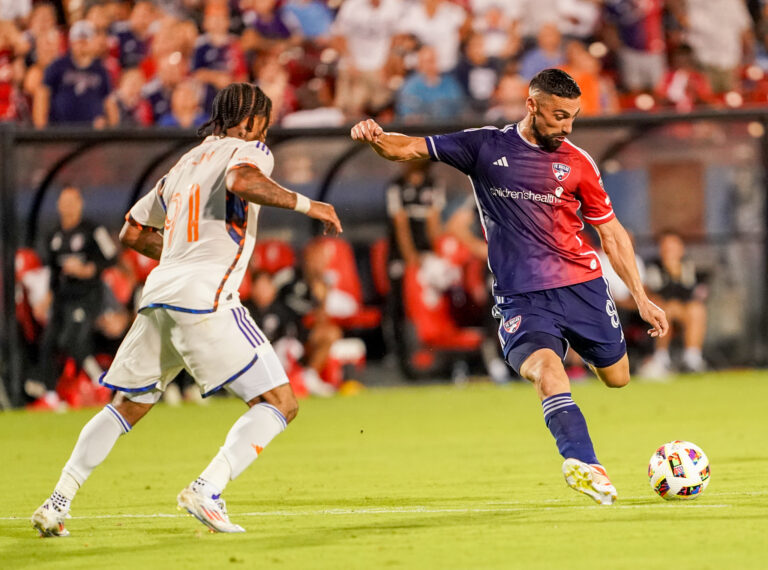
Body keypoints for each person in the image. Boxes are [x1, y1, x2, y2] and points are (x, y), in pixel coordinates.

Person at [31, 83, 342, 537]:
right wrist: (308, 204)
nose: (267, 133)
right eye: (266, 123)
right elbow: (241, 180)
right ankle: (207, 488)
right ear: (252, 121)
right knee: (280, 402)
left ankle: (57, 501)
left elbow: (132, 233)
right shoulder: (249, 148)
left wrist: (181, 253)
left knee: (126, 405)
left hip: (159, 294)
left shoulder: (183, 163)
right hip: (206, 296)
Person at [350, 68, 668, 505]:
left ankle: (586, 424)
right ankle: (586, 464)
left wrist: (642, 298)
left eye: (573, 117)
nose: (567, 126)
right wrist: (376, 136)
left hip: (582, 287)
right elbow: (407, 148)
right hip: (521, 295)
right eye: (559, 116)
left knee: (617, 377)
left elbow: (611, 234)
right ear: (531, 105)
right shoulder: (485, 146)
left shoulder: (578, 163)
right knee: (548, 371)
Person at [26, 187, 117, 410]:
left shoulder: (93, 230)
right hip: (61, 298)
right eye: (63, 202)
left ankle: (101, 382)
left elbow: (112, 256)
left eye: (71, 201)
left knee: (73, 341)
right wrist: (47, 297)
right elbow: (53, 273)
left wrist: (89, 269)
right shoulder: (54, 235)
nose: (67, 206)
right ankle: (51, 395)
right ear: (58, 206)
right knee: (49, 342)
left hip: (86, 296)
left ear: (80, 204)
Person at [641, 230, 708, 376]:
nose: (670, 251)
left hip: (682, 311)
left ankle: (692, 358)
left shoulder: (687, 265)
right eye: (666, 246)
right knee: (666, 309)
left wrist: (676, 273)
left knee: (696, 310)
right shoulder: (653, 266)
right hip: (659, 310)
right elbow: (659, 291)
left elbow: (690, 293)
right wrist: (671, 272)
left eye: (673, 246)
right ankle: (660, 357)